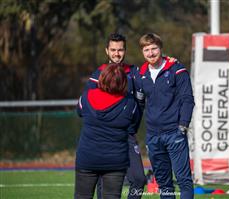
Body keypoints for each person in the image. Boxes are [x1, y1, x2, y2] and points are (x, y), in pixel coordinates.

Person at [86, 33, 147, 199]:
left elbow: (142, 102)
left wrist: (168, 62)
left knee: (139, 179)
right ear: (107, 51)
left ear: (125, 50)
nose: (117, 53)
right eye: (113, 50)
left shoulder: (134, 73)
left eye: (120, 50)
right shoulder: (98, 74)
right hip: (103, 138)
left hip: (126, 137)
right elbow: (86, 105)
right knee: (105, 184)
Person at [135, 33, 195, 199]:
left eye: (154, 48)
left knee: (184, 180)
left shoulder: (177, 69)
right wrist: (132, 129)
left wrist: (183, 125)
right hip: (153, 137)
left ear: (161, 48)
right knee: (163, 183)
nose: (151, 53)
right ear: (142, 52)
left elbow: (188, 99)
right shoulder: (140, 75)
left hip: (175, 133)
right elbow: (139, 104)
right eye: (146, 50)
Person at [74, 63, 140, 199]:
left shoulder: (86, 97)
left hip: (87, 158)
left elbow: (79, 112)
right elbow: (133, 123)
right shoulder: (130, 103)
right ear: (123, 82)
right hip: (115, 161)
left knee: (82, 196)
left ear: (102, 79)